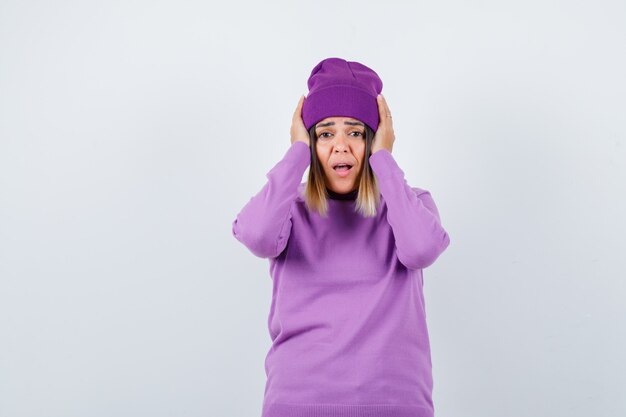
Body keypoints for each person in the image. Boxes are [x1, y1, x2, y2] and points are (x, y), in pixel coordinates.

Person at [232, 57, 451, 417]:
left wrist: (384, 161)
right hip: (300, 403)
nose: (341, 146)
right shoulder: (289, 209)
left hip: (397, 404)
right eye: (325, 134)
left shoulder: (409, 205)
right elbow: (256, 236)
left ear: (373, 139)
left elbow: (421, 250)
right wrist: (296, 155)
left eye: (355, 132)